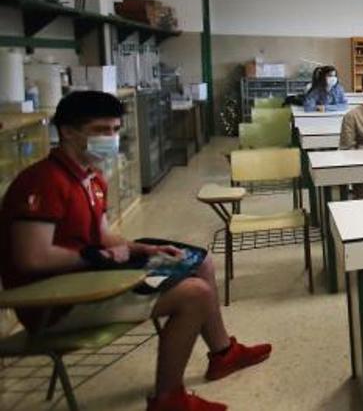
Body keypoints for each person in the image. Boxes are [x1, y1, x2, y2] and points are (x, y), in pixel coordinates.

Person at [0, 91, 270, 411]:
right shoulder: (44, 182)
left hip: (89, 278)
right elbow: (32, 257)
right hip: (55, 302)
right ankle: (168, 399)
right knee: (195, 294)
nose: (112, 138)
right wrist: (96, 257)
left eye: (115, 129)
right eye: (101, 130)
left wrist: (143, 249)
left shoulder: (91, 176)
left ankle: (223, 353)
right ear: (69, 132)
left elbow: (101, 234)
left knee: (200, 261)